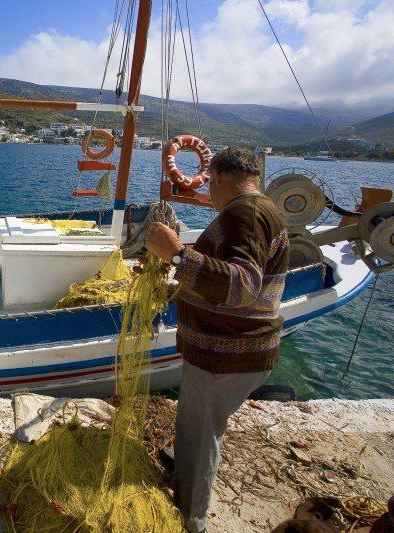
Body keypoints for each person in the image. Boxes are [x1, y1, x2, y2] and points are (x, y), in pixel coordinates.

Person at [144, 147, 290, 532]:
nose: (209, 191)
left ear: (221, 177)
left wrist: (176, 256)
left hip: (223, 355)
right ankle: (187, 466)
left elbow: (243, 285)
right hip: (233, 350)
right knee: (199, 425)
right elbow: (230, 275)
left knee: (202, 433)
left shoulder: (246, 214)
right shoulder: (261, 209)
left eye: (210, 182)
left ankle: (191, 517)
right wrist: (180, 279)